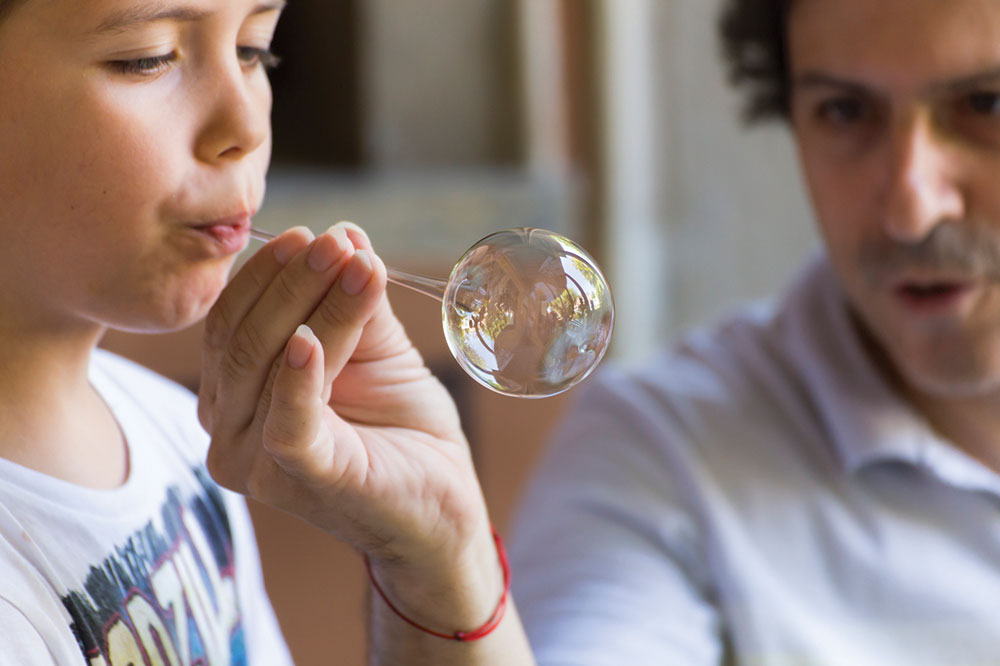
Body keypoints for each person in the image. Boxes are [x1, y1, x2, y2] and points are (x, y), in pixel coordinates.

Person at [0, 0, 536, 664]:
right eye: (147, 58)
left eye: (254, 50)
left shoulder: (179, 438)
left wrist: (441, 553)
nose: (246, 125)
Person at [507, 0, 1000, 663]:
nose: (910, 210)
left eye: (988, 105)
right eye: (845, 112)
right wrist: (436, 589)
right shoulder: (662, 452)